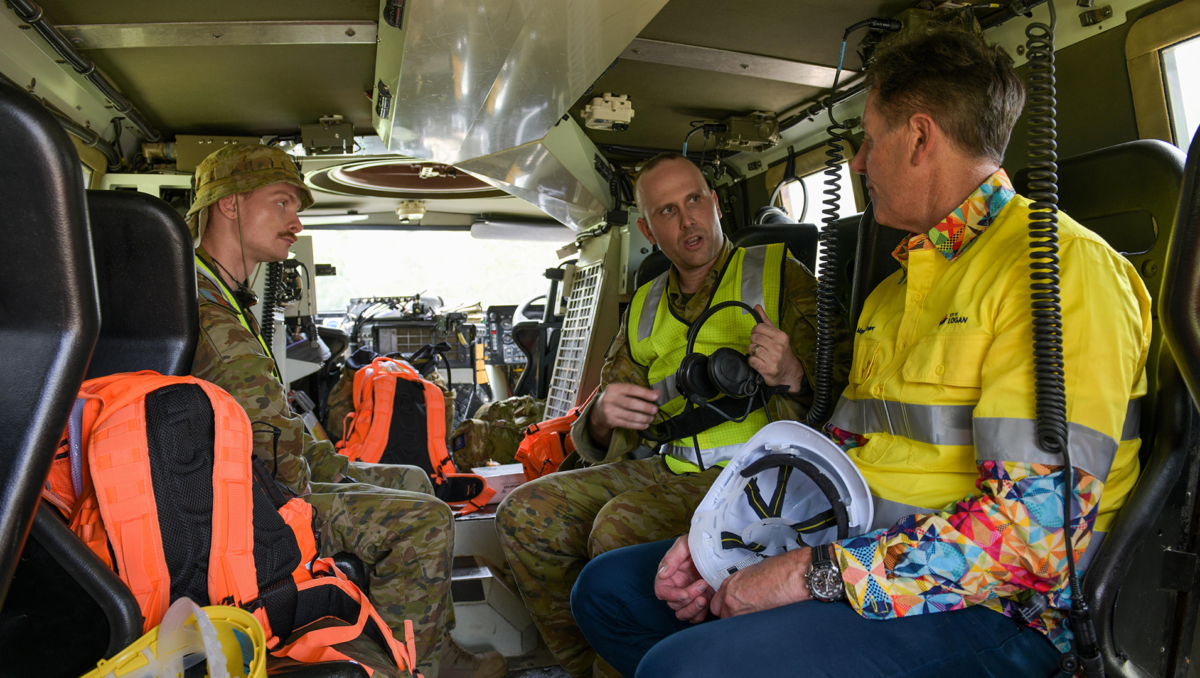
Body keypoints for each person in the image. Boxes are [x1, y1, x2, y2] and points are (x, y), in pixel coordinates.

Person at [569, 24, 1151, 678]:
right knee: (609, 593)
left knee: (679, 669)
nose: (856, 163)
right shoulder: (892, 295)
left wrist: (809, 575)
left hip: (995, 609)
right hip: (858, 552)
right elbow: (836, 462)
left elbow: (1031, 542)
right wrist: (726, 544)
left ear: (921, 137)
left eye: (869, 141)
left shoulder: (1058, 272)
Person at [495, 152, 852, 677]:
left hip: (758, 478)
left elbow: (846, 397)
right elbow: (604, 414)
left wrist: (793, 374)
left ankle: (667, 665)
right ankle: (594, 664)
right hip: (670, 465)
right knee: (524, 514)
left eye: (694, 200)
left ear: (714, 203)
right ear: (647, 229)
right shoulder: (643, 304)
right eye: (667, 211)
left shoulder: (782, 276)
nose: (687, 221)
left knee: (614, 529)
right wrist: (599, 418)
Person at [186, 144, 506, 678]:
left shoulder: (218, 291)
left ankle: (404, 638)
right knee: (421, 519)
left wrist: (345, 472)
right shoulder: (210, 313)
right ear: (230, 204)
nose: (297, 220)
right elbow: (274, 449)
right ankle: (422, 664)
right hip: (252, 503)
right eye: (283, 203)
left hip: (260, 479)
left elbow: (274, 426)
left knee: (410, 478)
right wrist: (341, 482)